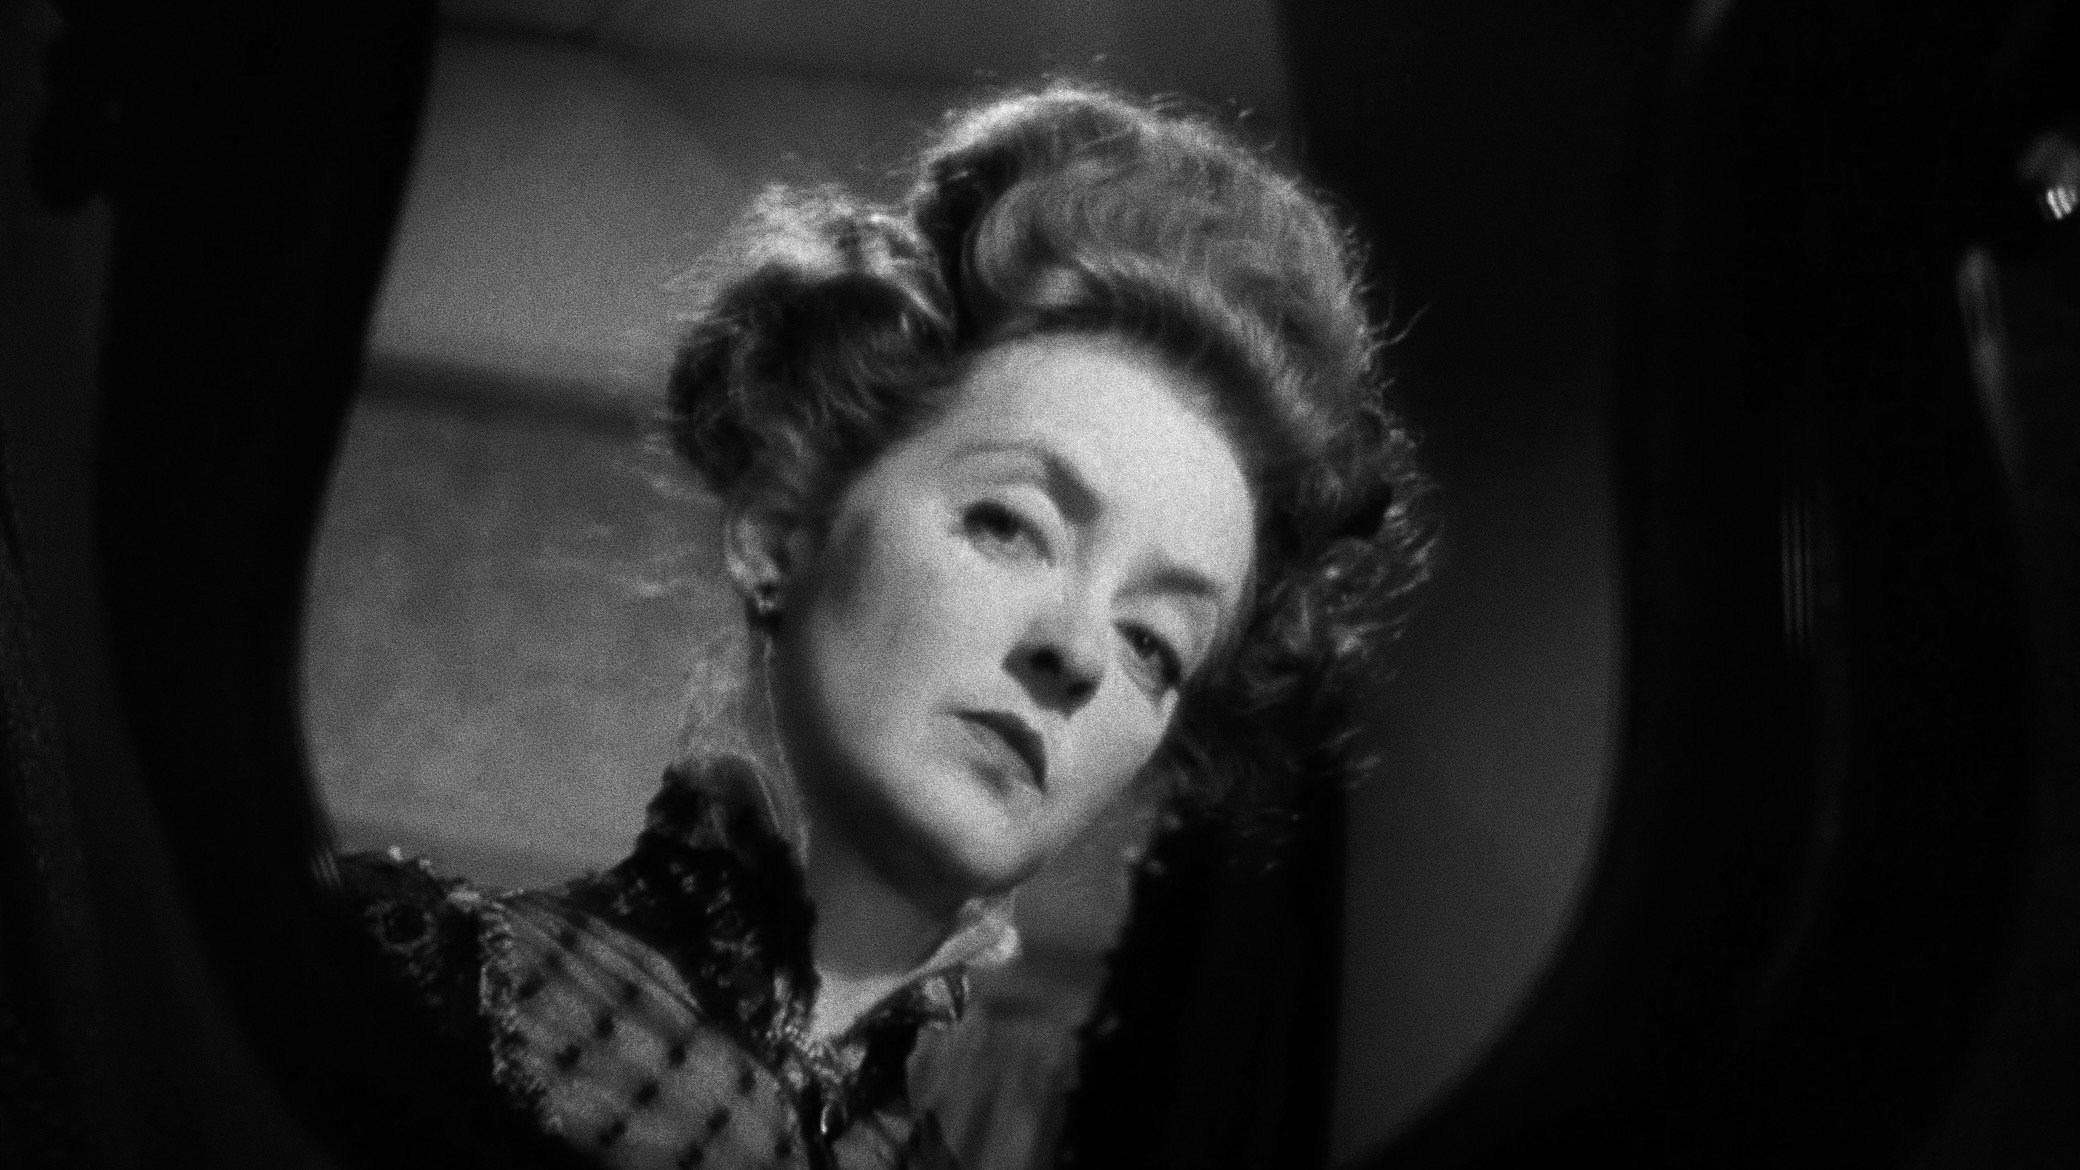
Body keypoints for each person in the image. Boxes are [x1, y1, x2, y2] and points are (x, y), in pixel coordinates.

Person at [337, 81, 1431, 1170]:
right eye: (1009, 525)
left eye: (1154, 644)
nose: (1078, 653)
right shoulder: (405, 983)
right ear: (782, 524)